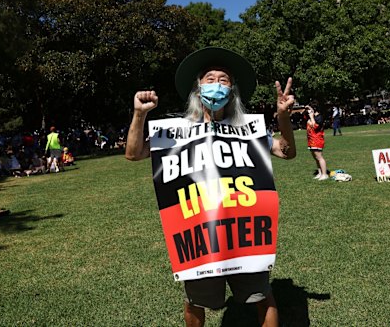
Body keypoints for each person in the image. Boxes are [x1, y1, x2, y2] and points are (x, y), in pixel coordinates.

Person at [125, 46, 296, 327]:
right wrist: (139, 115)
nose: (216, 85)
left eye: (224, 80)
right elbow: (133, 153)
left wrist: (283, 117)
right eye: (209, 79)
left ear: (232, 90)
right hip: (198, 235)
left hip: (246, 233)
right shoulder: (176, 130)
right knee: (196, 301)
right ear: (198, 87)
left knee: (262, 295)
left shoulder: (248, 129)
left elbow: (286, 151)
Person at [306, 102, 329, 181]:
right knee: (316, 158)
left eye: (309, 109)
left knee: (319, 157)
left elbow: (315, 127)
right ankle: (320, 173)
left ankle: (324, 174)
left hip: (317, 140)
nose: (308, 111)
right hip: (311, 140)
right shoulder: (311, 117)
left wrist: (311, 117)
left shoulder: (319, 117)